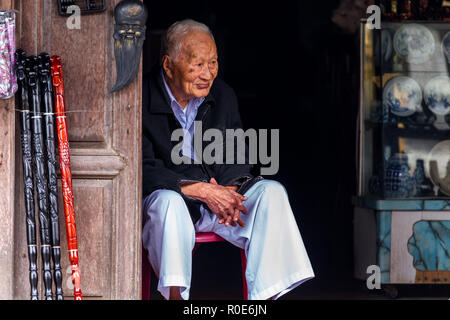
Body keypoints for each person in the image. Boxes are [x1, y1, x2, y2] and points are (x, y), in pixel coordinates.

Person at [142, 19, 314, 300]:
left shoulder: (222, 95)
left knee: (272, 193)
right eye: (197, 64)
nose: (207, 74)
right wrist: (201, 190)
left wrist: (230, 191)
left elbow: (236, 154)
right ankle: (175, 298)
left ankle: (263, 298)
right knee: (167, 203)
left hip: (220, 207)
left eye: (213, 63)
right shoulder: (140, 97)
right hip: (174, 205)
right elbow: (141, 170)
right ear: (168, 64)